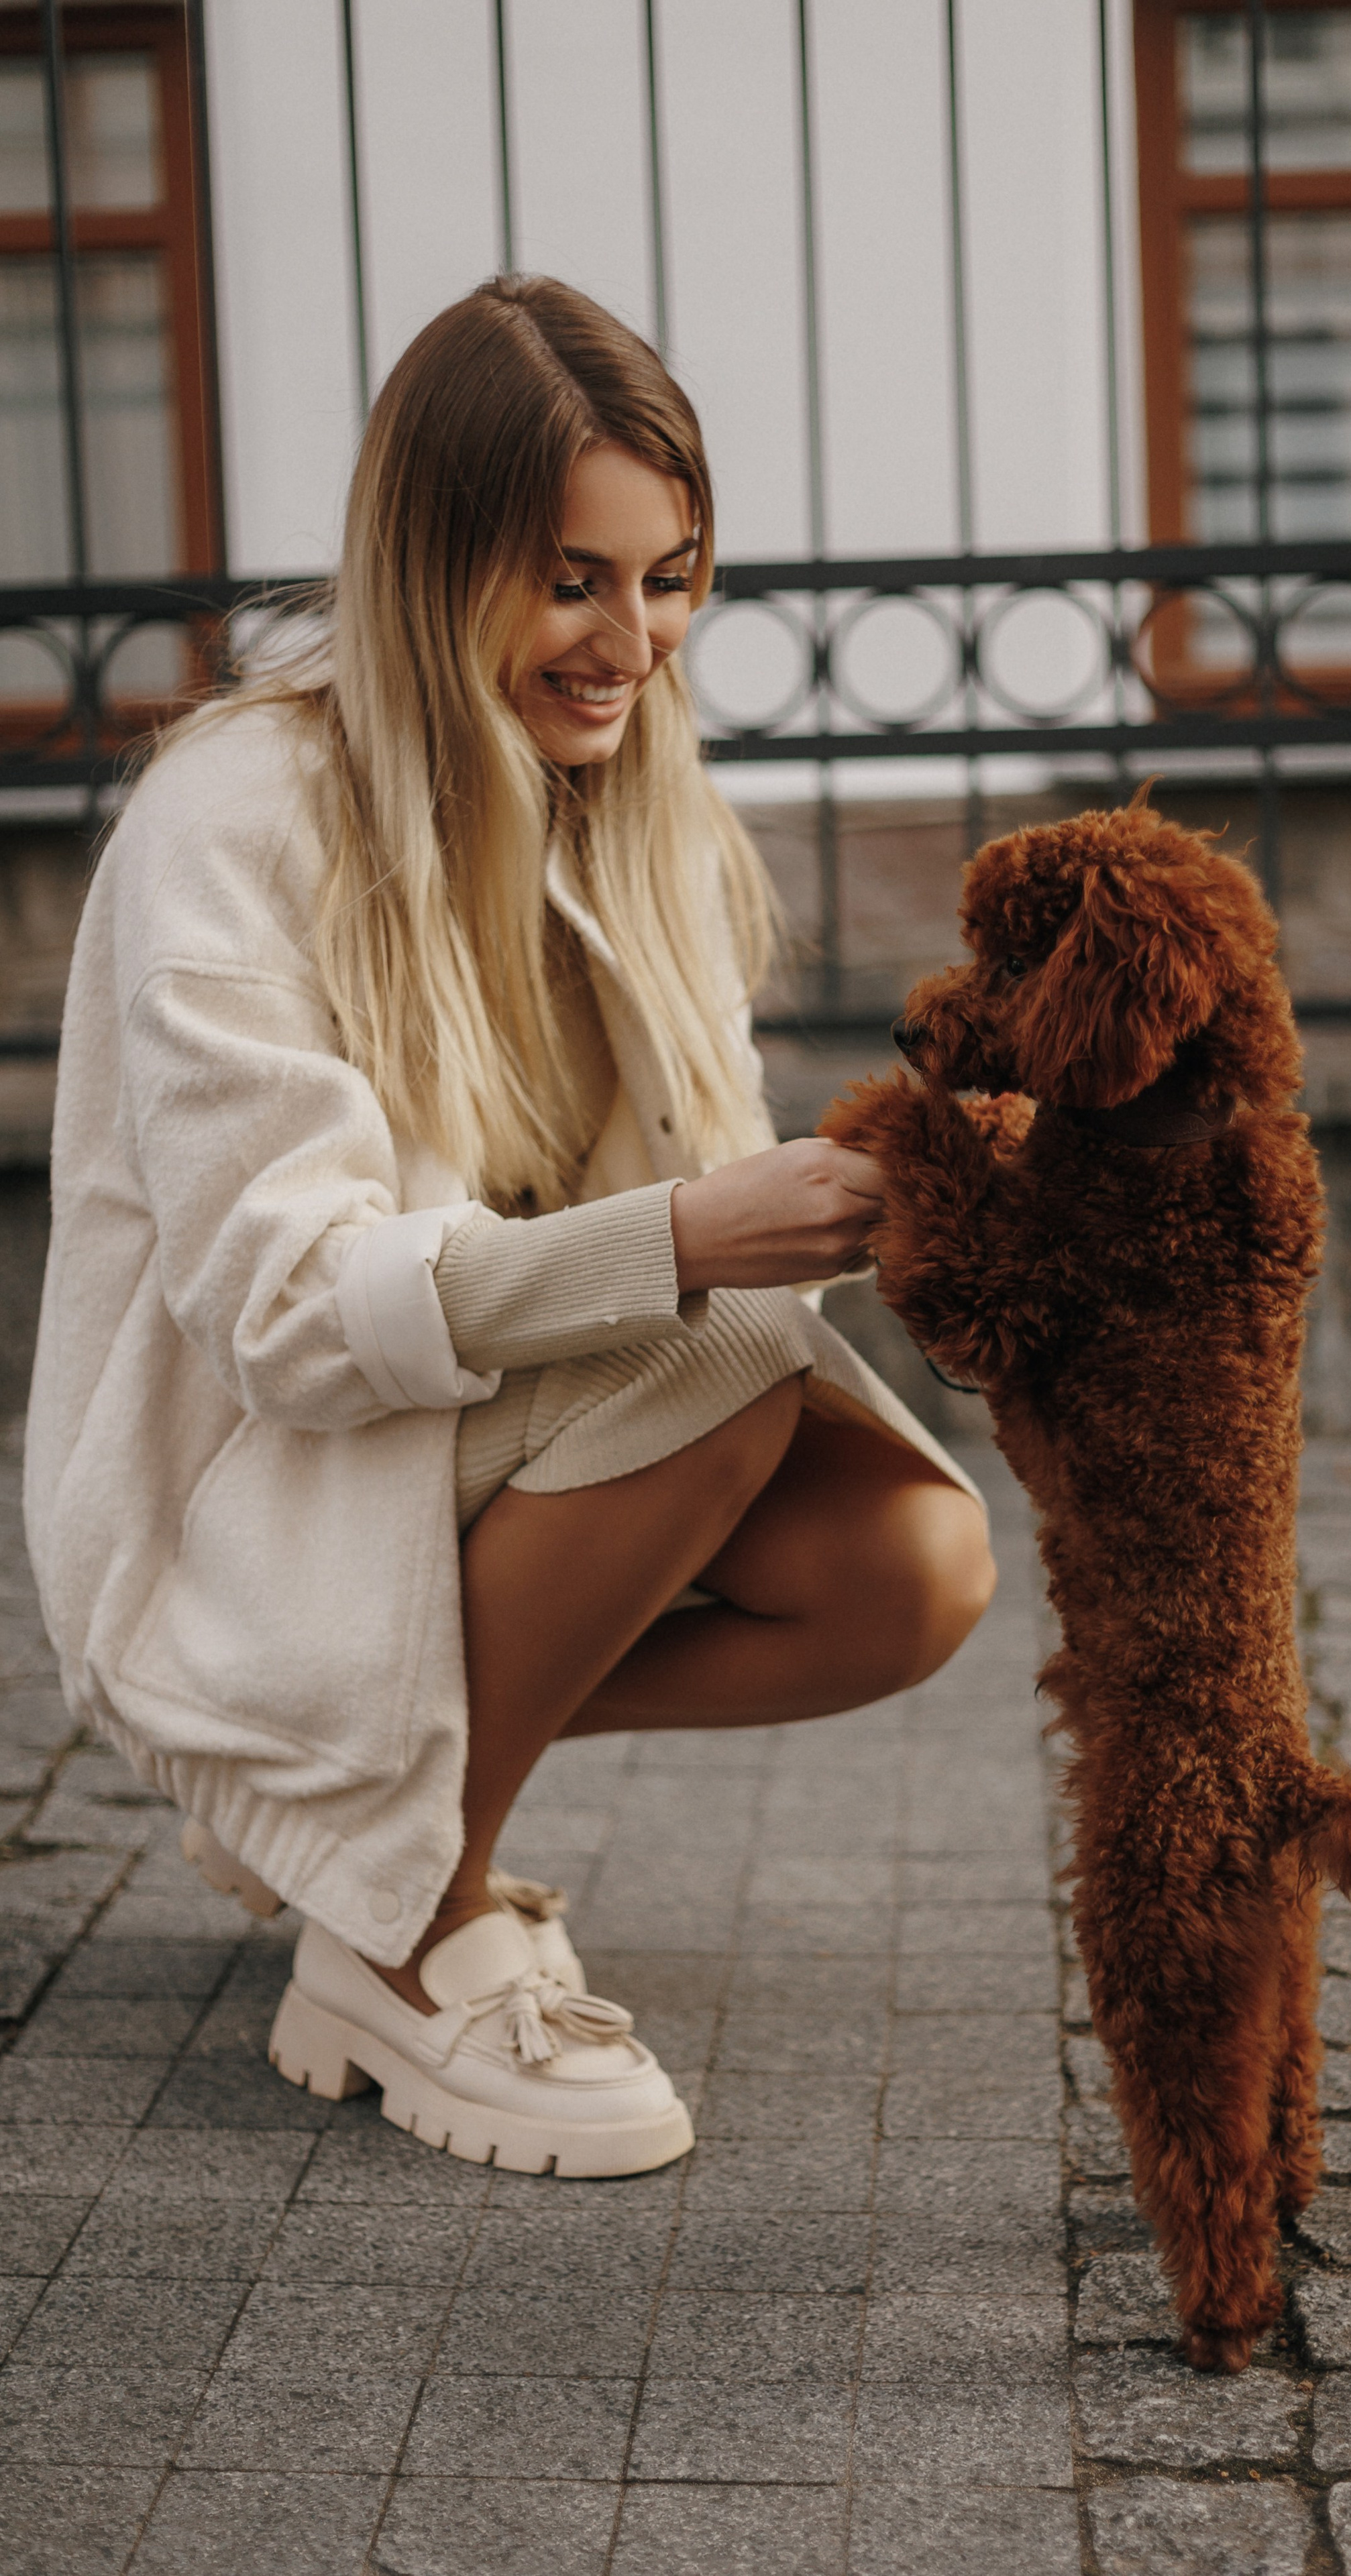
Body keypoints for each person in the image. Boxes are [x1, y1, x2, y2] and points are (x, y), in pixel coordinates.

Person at [24, 277, 995, 2179]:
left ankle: (348, 1800)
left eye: (672, 575)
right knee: (717, 1347)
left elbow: (688, 1214)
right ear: (433, 555)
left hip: (489, 1433)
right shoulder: (238, 814)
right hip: (258, 1478)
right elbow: (287, 1317)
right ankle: (403, 1922)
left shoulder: (636, 815)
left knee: (918, 1563)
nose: (631, 640)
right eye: (571, 578)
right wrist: (695, 1237)